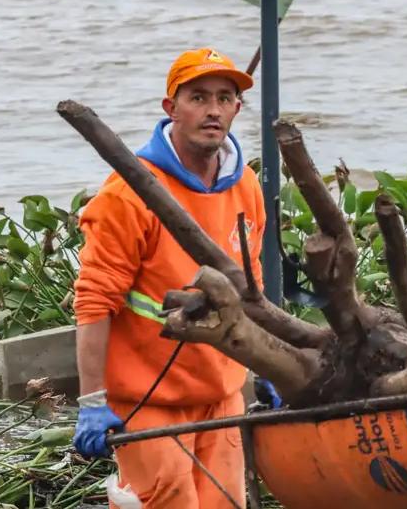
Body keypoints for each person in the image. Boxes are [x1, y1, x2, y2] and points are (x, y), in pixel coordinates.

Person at [71, 47, 265, 508]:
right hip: (148, 403)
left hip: (222, 396)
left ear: (238, 108)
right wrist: (92, 403)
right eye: (198, 97)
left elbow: (251, 287)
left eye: (224, 97)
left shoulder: (245, 185)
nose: (213, 110)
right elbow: (94, 303)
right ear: (170, 108)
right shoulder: (128, 194)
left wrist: (266, 364)